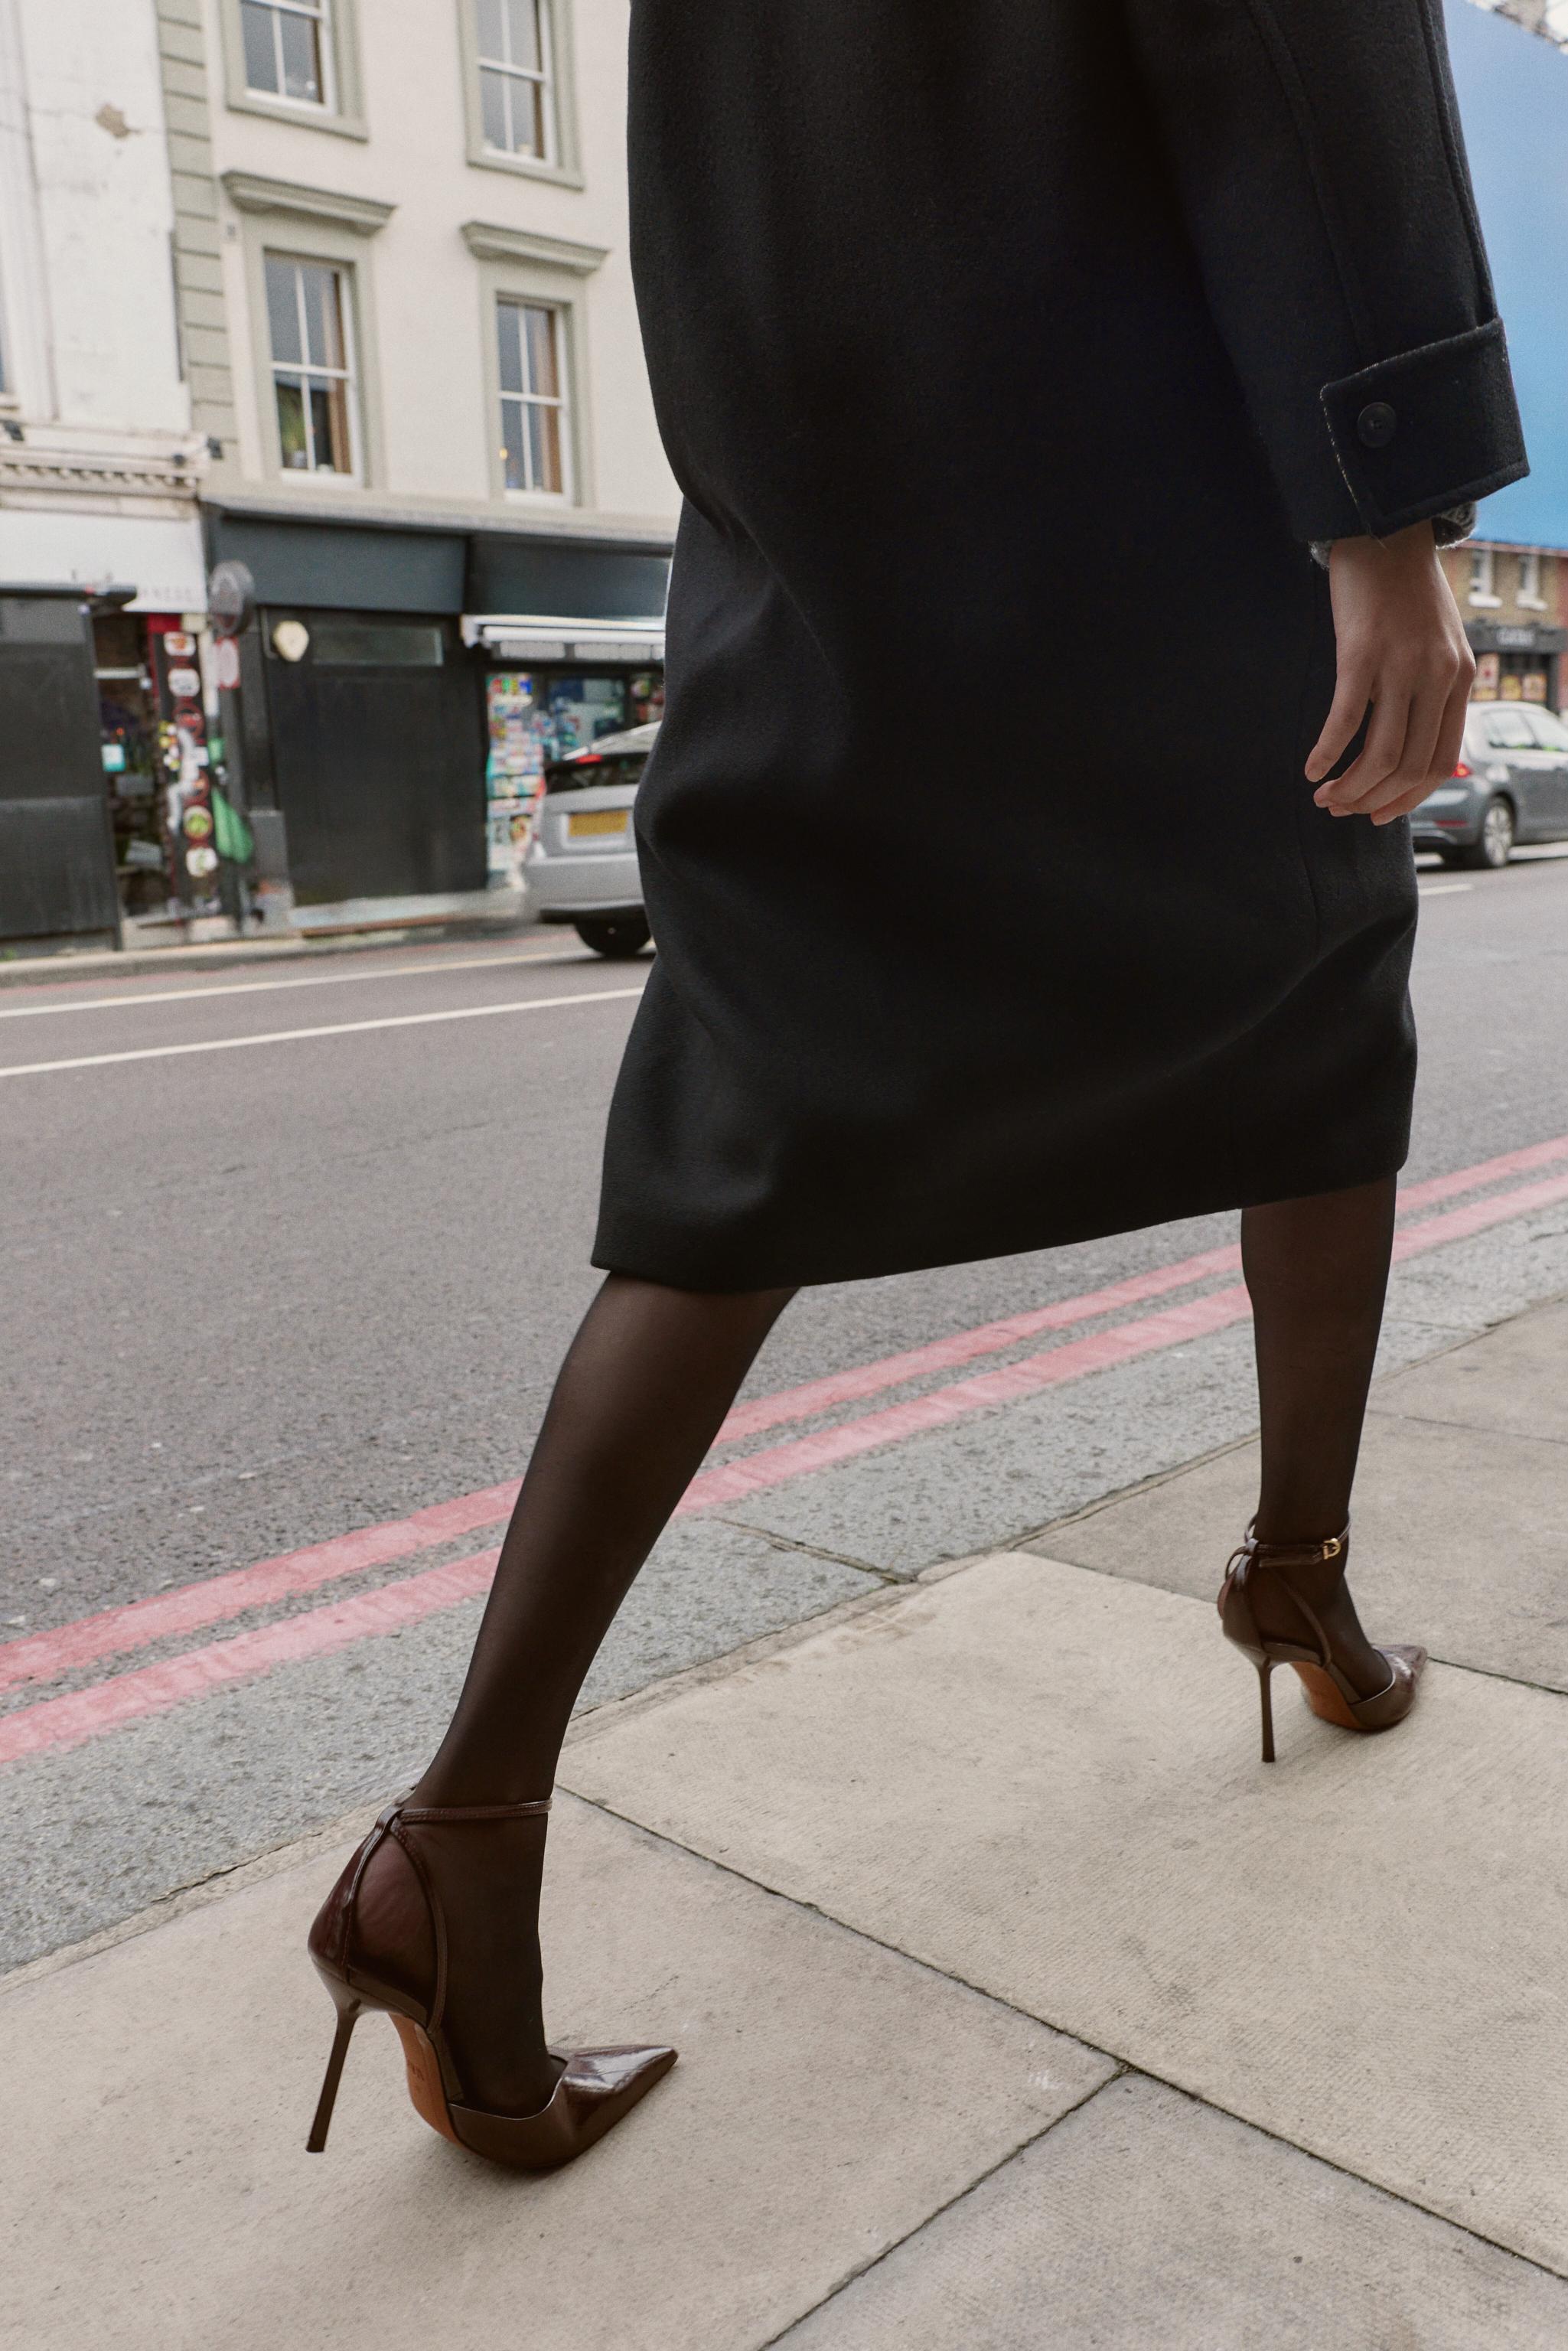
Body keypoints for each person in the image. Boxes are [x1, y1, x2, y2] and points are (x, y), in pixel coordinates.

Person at [304, 0, 1527, 2170]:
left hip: (826, 504)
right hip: (1142, 472)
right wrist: (1386, 515)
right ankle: (1296, 1572)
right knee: (1324, 991)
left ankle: (462, 1836)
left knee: (754, 1120)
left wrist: (770, 503)